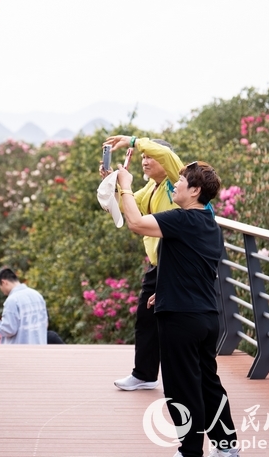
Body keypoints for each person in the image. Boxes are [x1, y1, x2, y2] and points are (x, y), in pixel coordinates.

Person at [117, 160, 239, 457]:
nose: (175, 185)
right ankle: (226, 447)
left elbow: (135, 223)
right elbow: (193, 266)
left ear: (195, 191)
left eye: (181, 181)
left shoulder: (182, 219)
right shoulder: (211, 225)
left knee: (181, 388)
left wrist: (124, 186)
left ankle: (190, 450)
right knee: (208, 383)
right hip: (206, 317)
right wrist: (163, 291)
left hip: (181, 321)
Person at [101, 135, 183, 391]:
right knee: (146, 320)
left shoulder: (174, 181)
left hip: (176, 264)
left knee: (174, 324)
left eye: (150, 157)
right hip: (158, 263)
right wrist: (113, 183)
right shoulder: (152, 187)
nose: (145, 162)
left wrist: (133, 141)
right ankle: (145, 374)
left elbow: (169, 157)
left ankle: (181, 379)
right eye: (144, 158)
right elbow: (130, 207)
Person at [0, 268, 49, 344]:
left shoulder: (12, 300)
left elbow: (8, 329)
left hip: (20, 353)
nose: (3, 292)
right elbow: (45, 324)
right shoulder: (37, 295)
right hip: (39, 350)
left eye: (0, 287)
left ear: (4, 282)